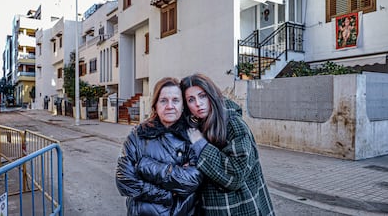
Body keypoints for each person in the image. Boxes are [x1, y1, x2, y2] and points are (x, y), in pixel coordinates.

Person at [180, 73, 275, 216]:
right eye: (191, 100)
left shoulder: (233, 124)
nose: (198, 104)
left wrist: (200, 145)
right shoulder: (196, 126)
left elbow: (234, 175)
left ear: (212, 95)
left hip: (241, 208)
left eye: (202, 96)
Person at [115, 77, 203, 216]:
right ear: (155, 105)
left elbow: (192, 181)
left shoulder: (193, 136)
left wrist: (145, 166)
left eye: (175, 100)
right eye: (163, 100)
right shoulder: (138, 135)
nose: (169, 106)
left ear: (183, 105)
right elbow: (124, 181)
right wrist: (166, 195)